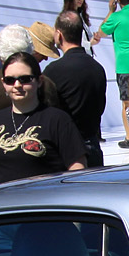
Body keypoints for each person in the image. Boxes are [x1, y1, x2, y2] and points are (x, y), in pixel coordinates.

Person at [0, 52, 86, 187]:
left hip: (40, 204)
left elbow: (77, 169)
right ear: (3, 83)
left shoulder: (57, 119)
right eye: (10, 80)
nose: (17, 85)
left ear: (39, 81)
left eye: (25, 79)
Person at [43, 11, 108, 167]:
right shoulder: (97, 68)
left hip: (66, 150)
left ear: (59, 35)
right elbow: (100, 106)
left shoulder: (53, 70)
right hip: (92, 146)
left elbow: (46, 110)